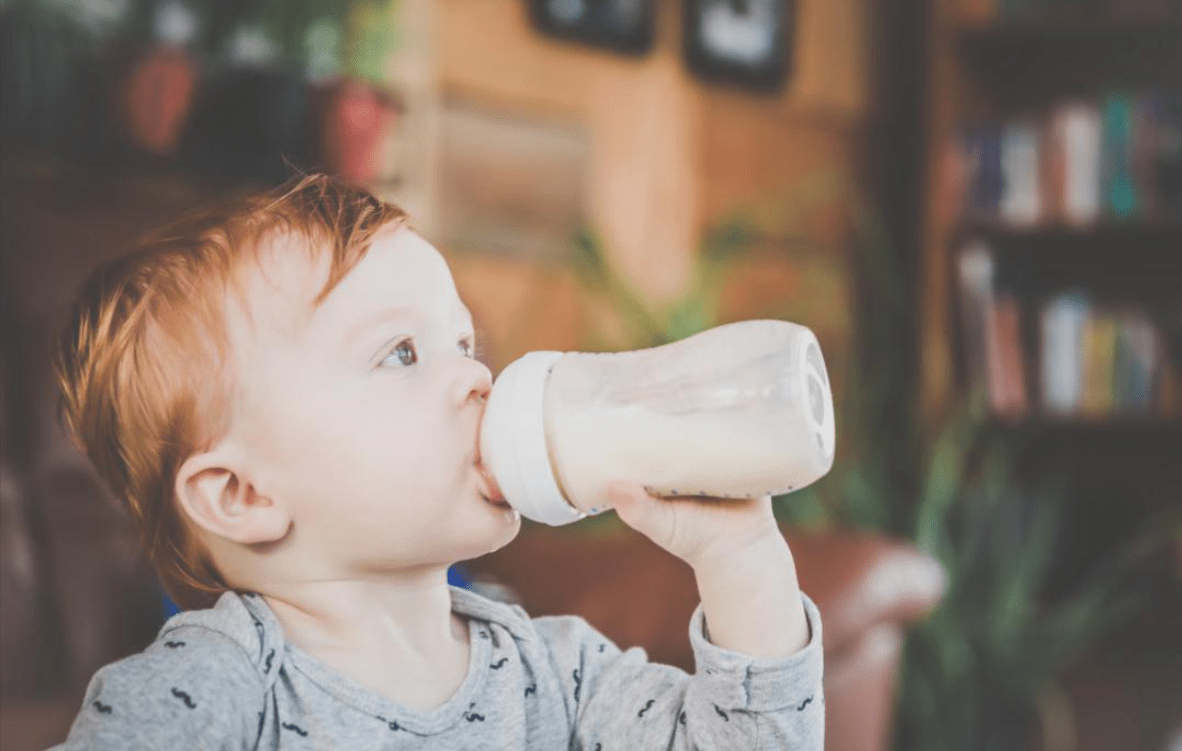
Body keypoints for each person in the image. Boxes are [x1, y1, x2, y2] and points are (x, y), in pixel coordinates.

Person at [49, 173, 824, 750]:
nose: (477, 375)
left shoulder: (557, 672)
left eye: (464, 343)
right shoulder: (205, 693)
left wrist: (741, 554)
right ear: (242, 492)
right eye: (402, 353)